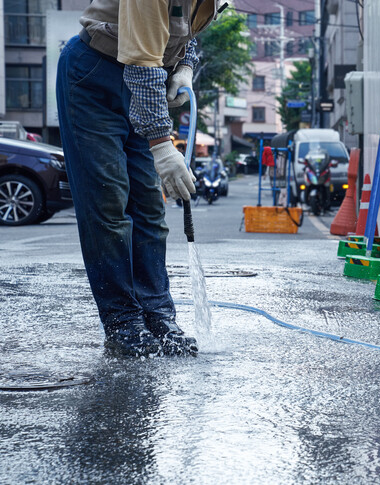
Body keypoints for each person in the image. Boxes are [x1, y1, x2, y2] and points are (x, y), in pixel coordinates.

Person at [56, 1, 221, 357]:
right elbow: (143, 67)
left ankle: (158, 316)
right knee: (108, 205)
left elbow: (186, 30)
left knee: (149, 209)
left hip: (145, 84)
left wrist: (185, 67)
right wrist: (162, 147)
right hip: (92, 79)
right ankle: (123, 323)